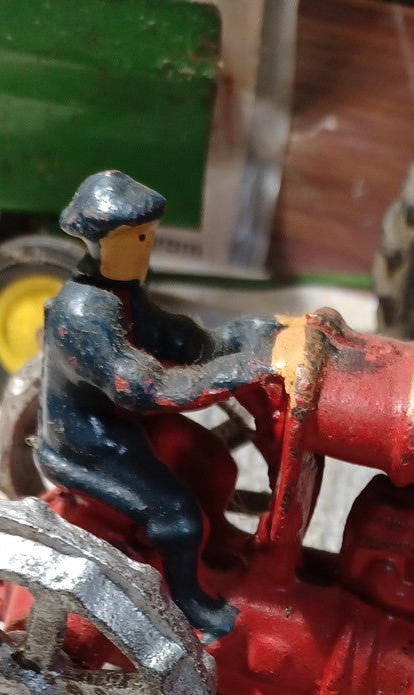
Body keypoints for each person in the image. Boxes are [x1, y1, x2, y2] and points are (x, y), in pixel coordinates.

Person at [34, 170, 276, 639]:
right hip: (87, 441)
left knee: (211, 461)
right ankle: (187, 603)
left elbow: (174, 337)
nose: (146, 248)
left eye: (149, 236)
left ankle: (218, 538)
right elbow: (142, 387)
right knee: (177, 516)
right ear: (101, 242)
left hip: (118, 425)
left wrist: (238, 339)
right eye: (137, 237)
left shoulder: (123, 295)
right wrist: (233, 372)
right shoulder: (83, 315)